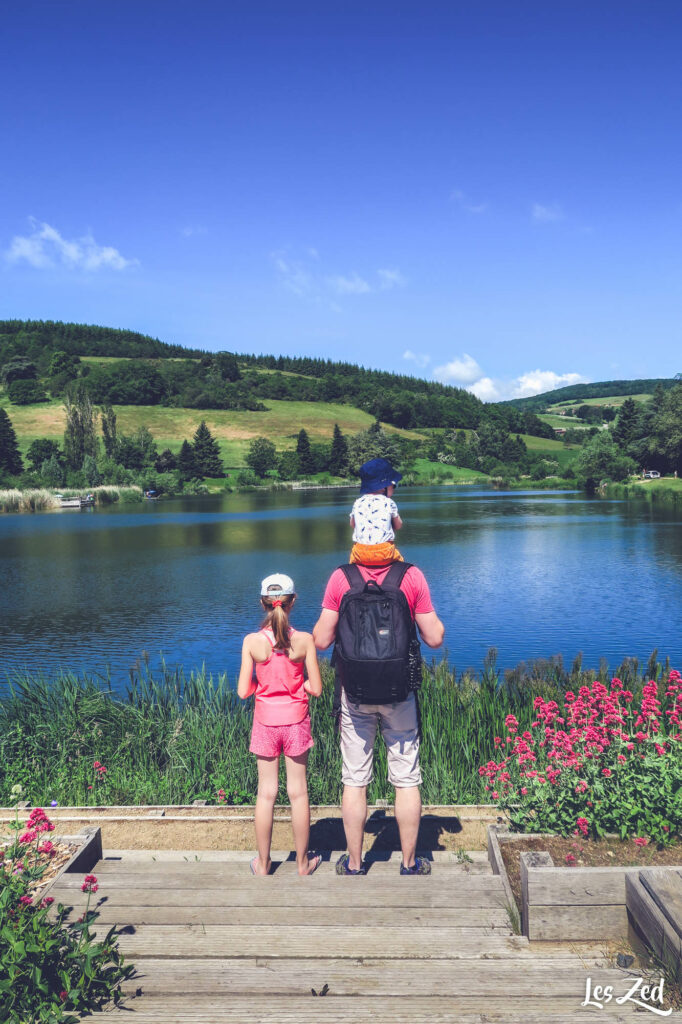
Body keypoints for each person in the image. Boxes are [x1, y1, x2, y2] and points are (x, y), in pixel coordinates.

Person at [313, 559, 444, 876]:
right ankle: (410, 863)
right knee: (406, 778)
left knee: (355, 780)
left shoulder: (341, 578)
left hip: (354, 693)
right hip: (399, 693)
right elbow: (435, 637)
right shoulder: (411, 576)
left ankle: (355, 864)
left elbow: (320, 639)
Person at [238, 573, 323, 876]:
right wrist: (299, 689)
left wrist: (261, 690)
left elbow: (243, 690)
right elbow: (316, 688)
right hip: (296, 721)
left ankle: (263, 864)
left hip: (265, 722)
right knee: (298, 792)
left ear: (263, 604)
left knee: (266, 793)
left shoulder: (252, 642)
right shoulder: (304, 641)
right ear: (293, 602)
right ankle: (302, 864)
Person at [350, 457, 404, 566]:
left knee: (352, 561)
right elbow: (398, 526)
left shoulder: (357, 502)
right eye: (393, 485)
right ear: (384, 486)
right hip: (384, 553)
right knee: (402, 565)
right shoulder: (389, 503)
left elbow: (352, 525)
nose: (394, 488)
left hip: (360, 553)